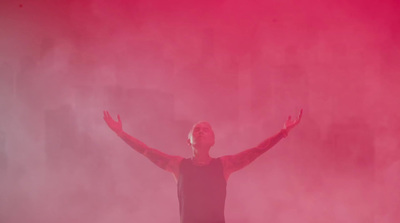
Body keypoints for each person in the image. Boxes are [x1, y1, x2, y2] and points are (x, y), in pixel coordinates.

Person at [103, 110, 302, 223]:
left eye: (205, 129)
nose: (200, 131)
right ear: (188, 140)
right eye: (196, 129)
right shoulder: (178, 165)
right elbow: (146, 150)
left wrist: (282, 133)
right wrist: (120, 134)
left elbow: (256, 151)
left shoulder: (224, 165)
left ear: (213, 140)